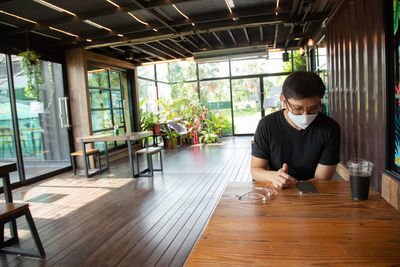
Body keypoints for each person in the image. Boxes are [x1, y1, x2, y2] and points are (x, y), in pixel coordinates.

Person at [251, 71, 340, 189]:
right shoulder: (267, 125)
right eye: (297, 109)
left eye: (313, 109)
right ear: (283, 100)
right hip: (276, 190)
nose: (305, 115)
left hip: (313, 189)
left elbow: (322, 178)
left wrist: (297, 189)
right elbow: (255, 170)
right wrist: (274, 177)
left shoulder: (330, 128)